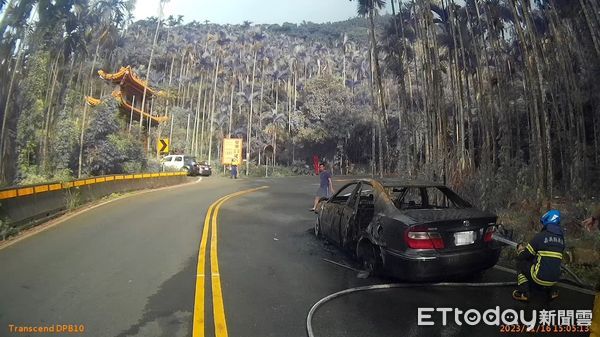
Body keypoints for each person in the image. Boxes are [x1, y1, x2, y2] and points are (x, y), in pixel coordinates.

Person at [512, 209, 565, 302]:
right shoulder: (561, 240)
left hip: (539, 278)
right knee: (551, 263)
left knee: (520, 263)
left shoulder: (540, 237)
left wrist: (520, 250)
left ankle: (523, 292)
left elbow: (524, 256)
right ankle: (552, 292)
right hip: (555, 279)